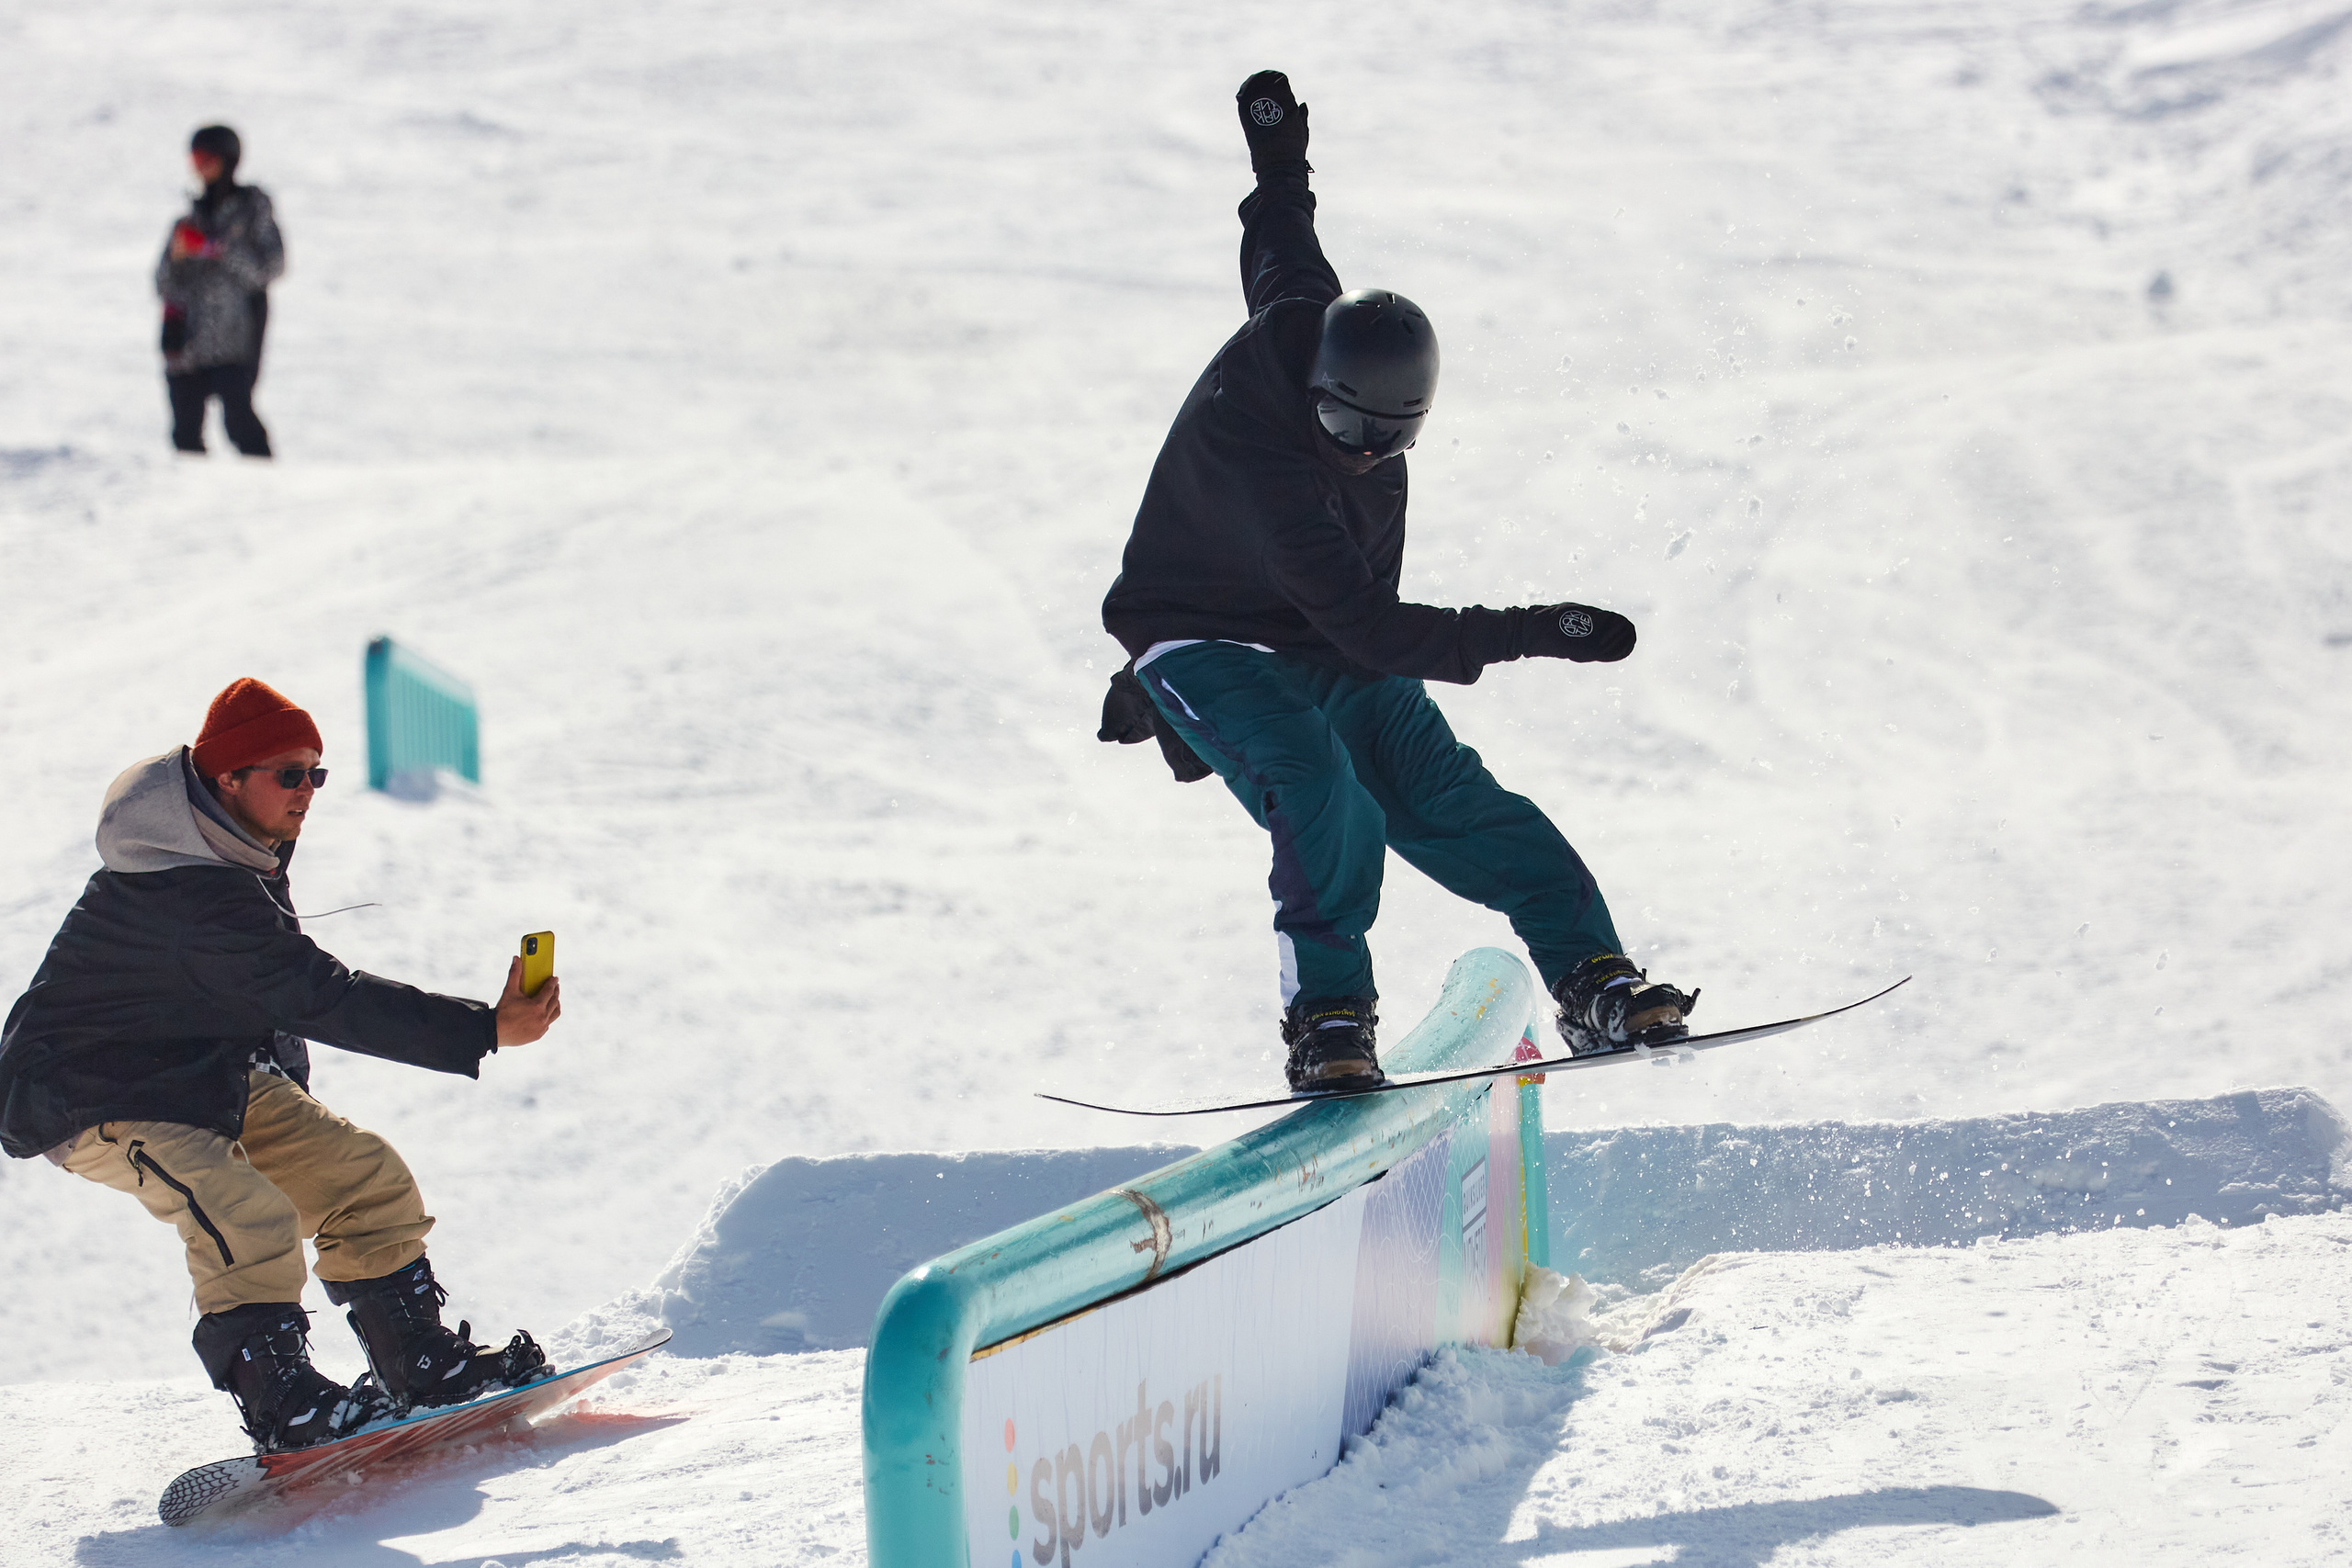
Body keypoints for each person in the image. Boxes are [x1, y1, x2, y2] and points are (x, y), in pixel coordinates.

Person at [1097, 72, 1698, 1092]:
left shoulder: (1311, 318)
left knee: (1451, 796)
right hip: (1202, 633)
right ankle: (1327, 1016)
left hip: (1323, 637)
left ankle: (1593, 977)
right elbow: (1375, 628)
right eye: (1343, 427)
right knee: (1320, 784)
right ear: (1316, 389)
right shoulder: (1271, 464)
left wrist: (1280, 163)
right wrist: (1533, 628)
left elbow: (1281, 244)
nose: (1364, 452)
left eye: (1390, 438)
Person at [0, 678, 562, 1451]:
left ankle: (419, 1362)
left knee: (362, 1174)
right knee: (245, 1213)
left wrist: (295, 1112)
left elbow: (268, 998)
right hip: (90, 1091)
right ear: (228, 777)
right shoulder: (189, 886)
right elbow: (319, 995)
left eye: (316, 773)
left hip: (200, 1074)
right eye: (290, 773)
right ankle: (285, 1406)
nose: (307, 790)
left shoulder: (231, 853)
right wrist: (485, 1028)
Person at [156, 125, 283, 457]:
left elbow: (271, 267)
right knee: (185, 433)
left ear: (227, 159)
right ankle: (190, 489)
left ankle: (267, 484)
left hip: (235, 341)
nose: (198, 166)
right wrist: (178, 259)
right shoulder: (188, 221)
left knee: (239, 423)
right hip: (188, 343)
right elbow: (163, 284)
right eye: (194, 158)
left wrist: (216, 249)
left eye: (205, 157)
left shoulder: (251, 211)